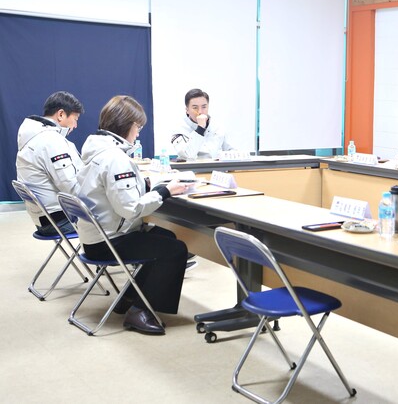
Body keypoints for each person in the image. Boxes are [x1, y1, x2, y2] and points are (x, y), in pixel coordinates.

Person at [76, 95, 192, 335]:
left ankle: (129, 297)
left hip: (94, 238)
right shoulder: (115, 157)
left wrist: (145, 185)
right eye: (138, 127)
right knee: (176, 250)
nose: (138, 133)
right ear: (127, 125)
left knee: (167, 238)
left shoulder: (96, 150)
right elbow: (130, 209)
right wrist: (164, 191)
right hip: (109, 242)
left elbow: (112, 192)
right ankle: (140, 312)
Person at [16, 91, 84, 236]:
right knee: (120, 221)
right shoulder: (51, 141)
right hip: (60, 221)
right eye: (75, 119)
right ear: (61, 114)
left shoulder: (32, 137)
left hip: (44, 219)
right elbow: (71, 187)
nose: (76, 125)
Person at [171, 88, 235, 160]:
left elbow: (232, 152)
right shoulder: (178, 130)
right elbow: (187, 157)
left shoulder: (218, 127)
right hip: (193, 167)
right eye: (195, 108)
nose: (200, 112)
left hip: (216, 166)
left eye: (204, 107)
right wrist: (200, 129)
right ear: (187, 110)